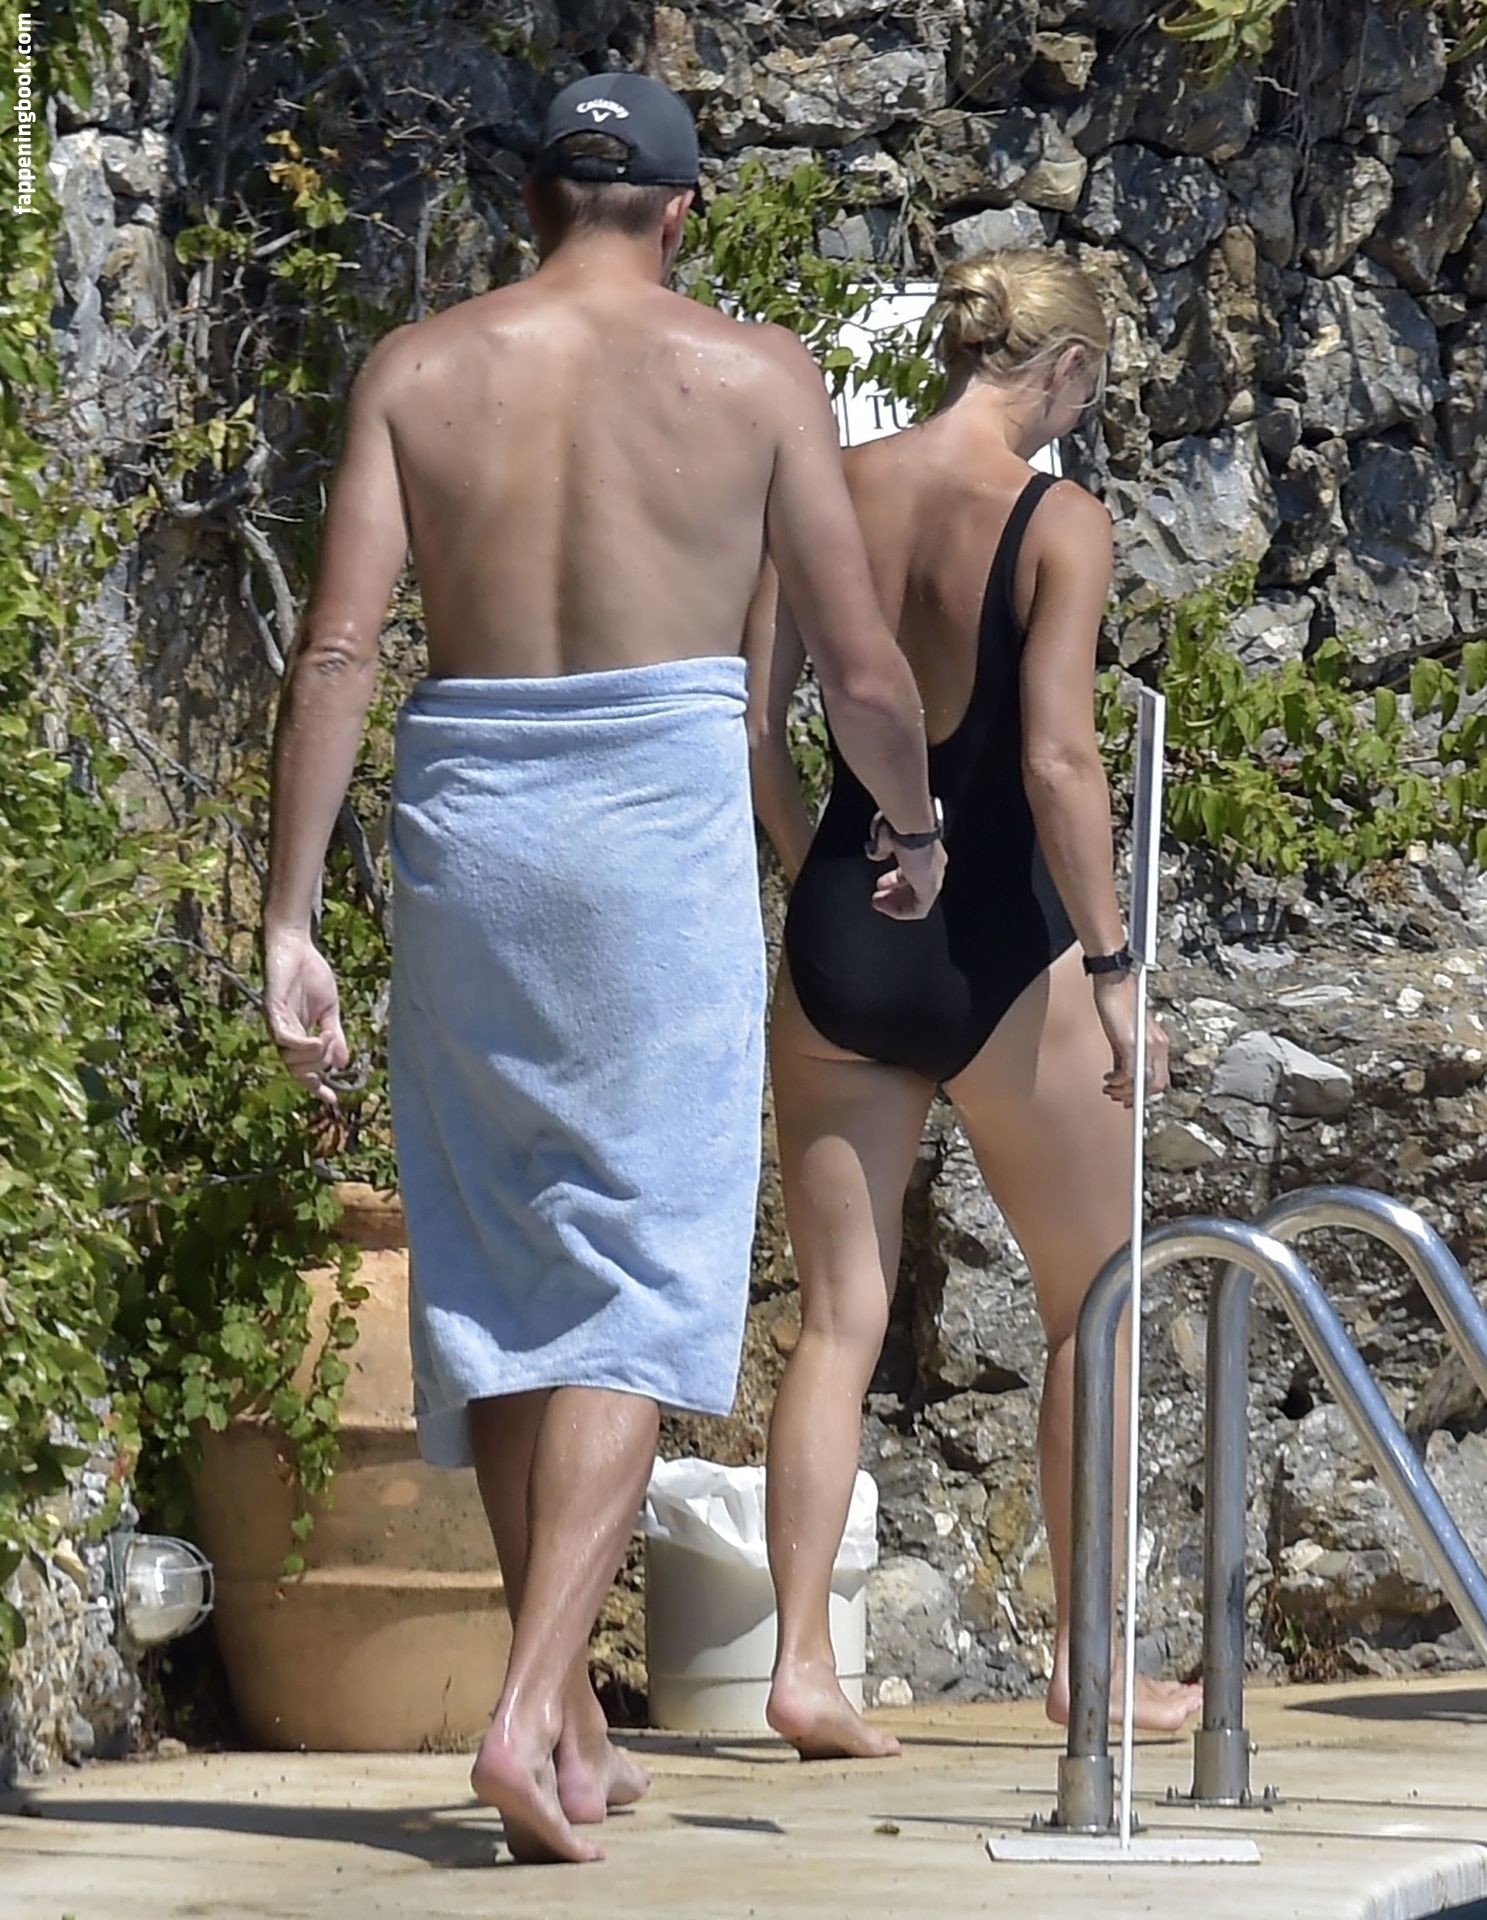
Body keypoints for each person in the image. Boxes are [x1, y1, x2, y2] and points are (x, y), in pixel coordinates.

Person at [261, 71, 942, 1863]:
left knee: (502, 1266)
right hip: (652, 825)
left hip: (470, 823)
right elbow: (859, 667)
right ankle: (521, 1713)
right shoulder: (756, 374)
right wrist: (912, 829)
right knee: (640, 1271)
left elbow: (337, 652)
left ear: (532, 204)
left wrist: (287, 915)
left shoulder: (418, 368)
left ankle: (561, 1719)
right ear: (681, 213)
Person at [749, 247, 1201, 1761]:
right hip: (1001, 947)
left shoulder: (829, 488)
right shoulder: (1059, 521)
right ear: (1063, 373)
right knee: (1098, 1304)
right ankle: (1088, 1666)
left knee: (838, 1321)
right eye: (1094, 389)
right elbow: (1057, 762)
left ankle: (804, 1666)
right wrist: (1118, 971)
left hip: (845, 928)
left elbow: (756, 729)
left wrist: (821, 874)